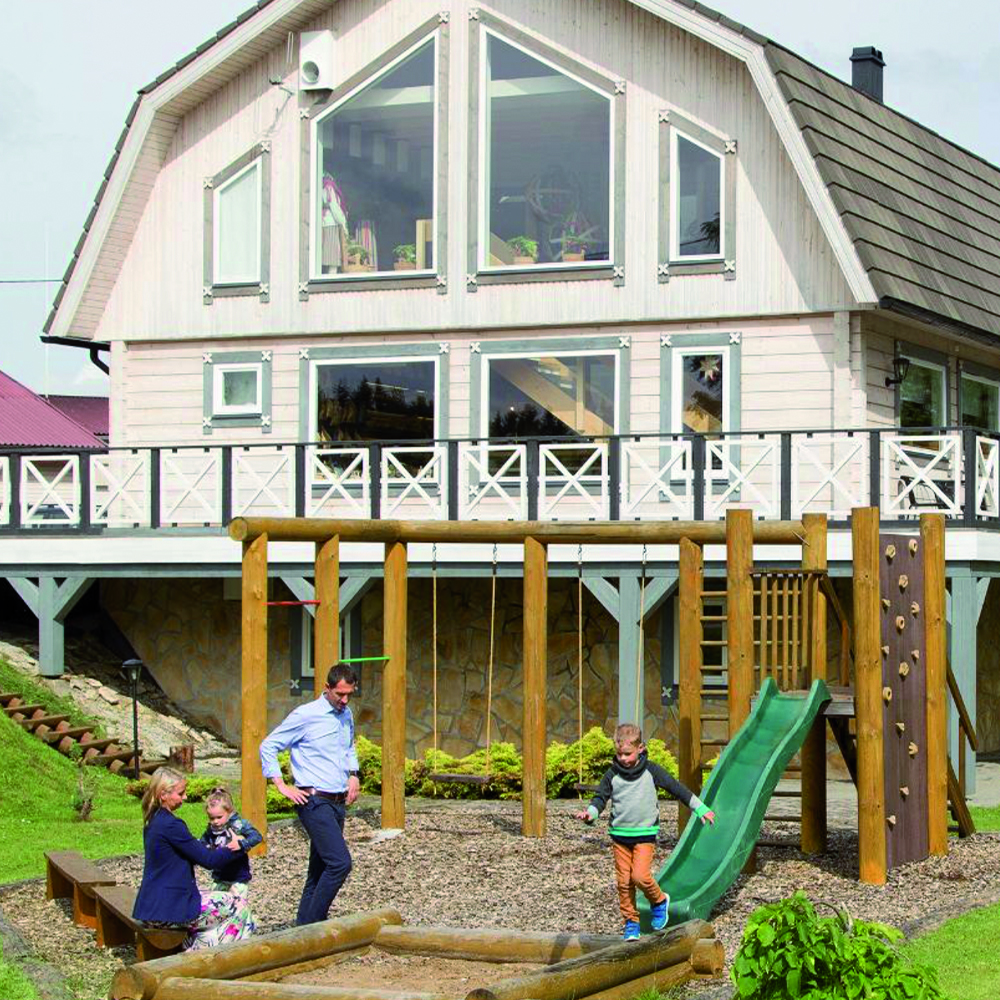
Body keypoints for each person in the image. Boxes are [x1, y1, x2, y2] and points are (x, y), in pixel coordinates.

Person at [575, 723, 716, 942]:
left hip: (644, 835)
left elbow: (677, 788)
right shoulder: (612, 775)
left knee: (639, 876)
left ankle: (659, 901)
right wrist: (590, 814)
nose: (623, 758)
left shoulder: (651, 771)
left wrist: (700, 808)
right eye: (619, 754)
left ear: (640, 748)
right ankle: (631, 923)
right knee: (624, 883)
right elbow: (600, 799)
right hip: (620, 836)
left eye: (627, 754)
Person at [259, 662, 360, 925]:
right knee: (340, 863)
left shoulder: (346, 714)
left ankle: (302, 928)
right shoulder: (306, 715)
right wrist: (281, 785)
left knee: (319, 869)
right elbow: (268, 746)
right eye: (340, 694)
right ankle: (314, 926)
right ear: (327, 688)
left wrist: (354, 774)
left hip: (338, 801)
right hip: (313, 801)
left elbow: (349, 747)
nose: (344, 700)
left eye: (349, 694)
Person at [133, 767, 257, 950]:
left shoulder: (154, 819)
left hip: (152, 906)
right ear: (163, 795)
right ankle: (213, 958)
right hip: (169, 911)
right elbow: (209, 861)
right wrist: (238, 845)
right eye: (180, 793)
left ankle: (202, 949)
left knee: (219, 909)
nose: (185, 797)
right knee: (239, 905)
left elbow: (192, 852)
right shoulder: (171, 825)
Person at [199, 785, 263, 899]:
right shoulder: (211, 830)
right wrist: (206, 849)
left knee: (237, 905)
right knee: (217, 904)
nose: (215, 821)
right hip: (219, 877)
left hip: (238, 878)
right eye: (212, 818)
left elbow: (257, 837)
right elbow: (203, 842)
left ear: (229, 812)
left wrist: (241, 844)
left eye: (219, 817)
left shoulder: (238, 825)